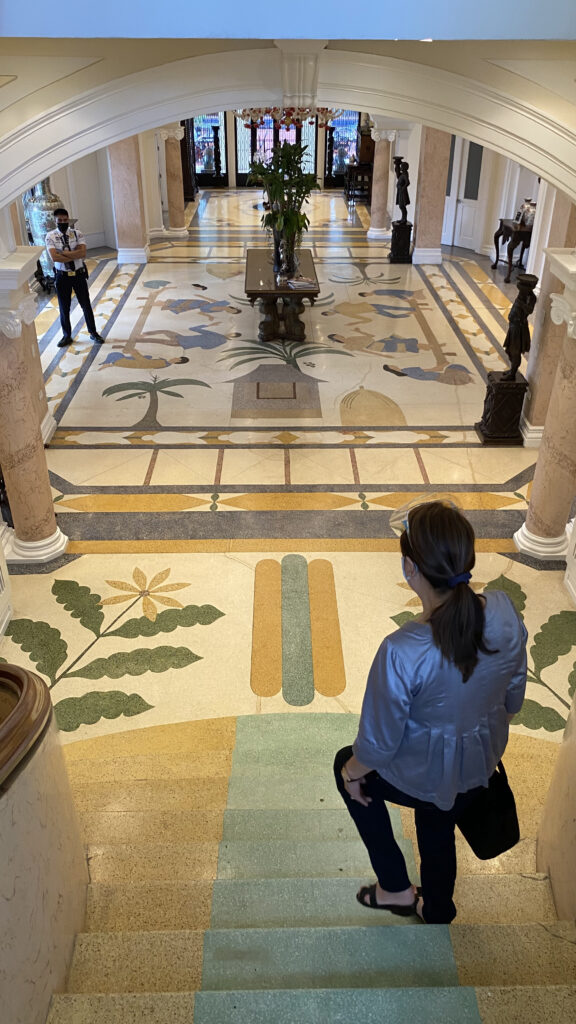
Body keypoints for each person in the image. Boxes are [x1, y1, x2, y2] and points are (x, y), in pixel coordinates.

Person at [334, 499, 527, 924]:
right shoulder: (504, 611)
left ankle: (397, 890)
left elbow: (377, 748)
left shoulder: (402, 652)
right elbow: (514, 698)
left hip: (425, 776)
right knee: (437, 818)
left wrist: (351, 774)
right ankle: (437, 908)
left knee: (346, 767)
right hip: (481, 762)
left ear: (409, 568)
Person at [45, 208, 104, 347]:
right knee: (64, 307)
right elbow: (54, 257)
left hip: (78, 275)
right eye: (60, 220)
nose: (63, 222)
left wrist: (63, 254)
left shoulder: (77, 234)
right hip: (62, 277)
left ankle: (93, 332)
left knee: (86, 305)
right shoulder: (50, 236)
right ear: (55, 221)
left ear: (68, 219)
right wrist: (74, 253)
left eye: (65, 220)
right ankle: (67, 336)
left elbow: (82, 253)